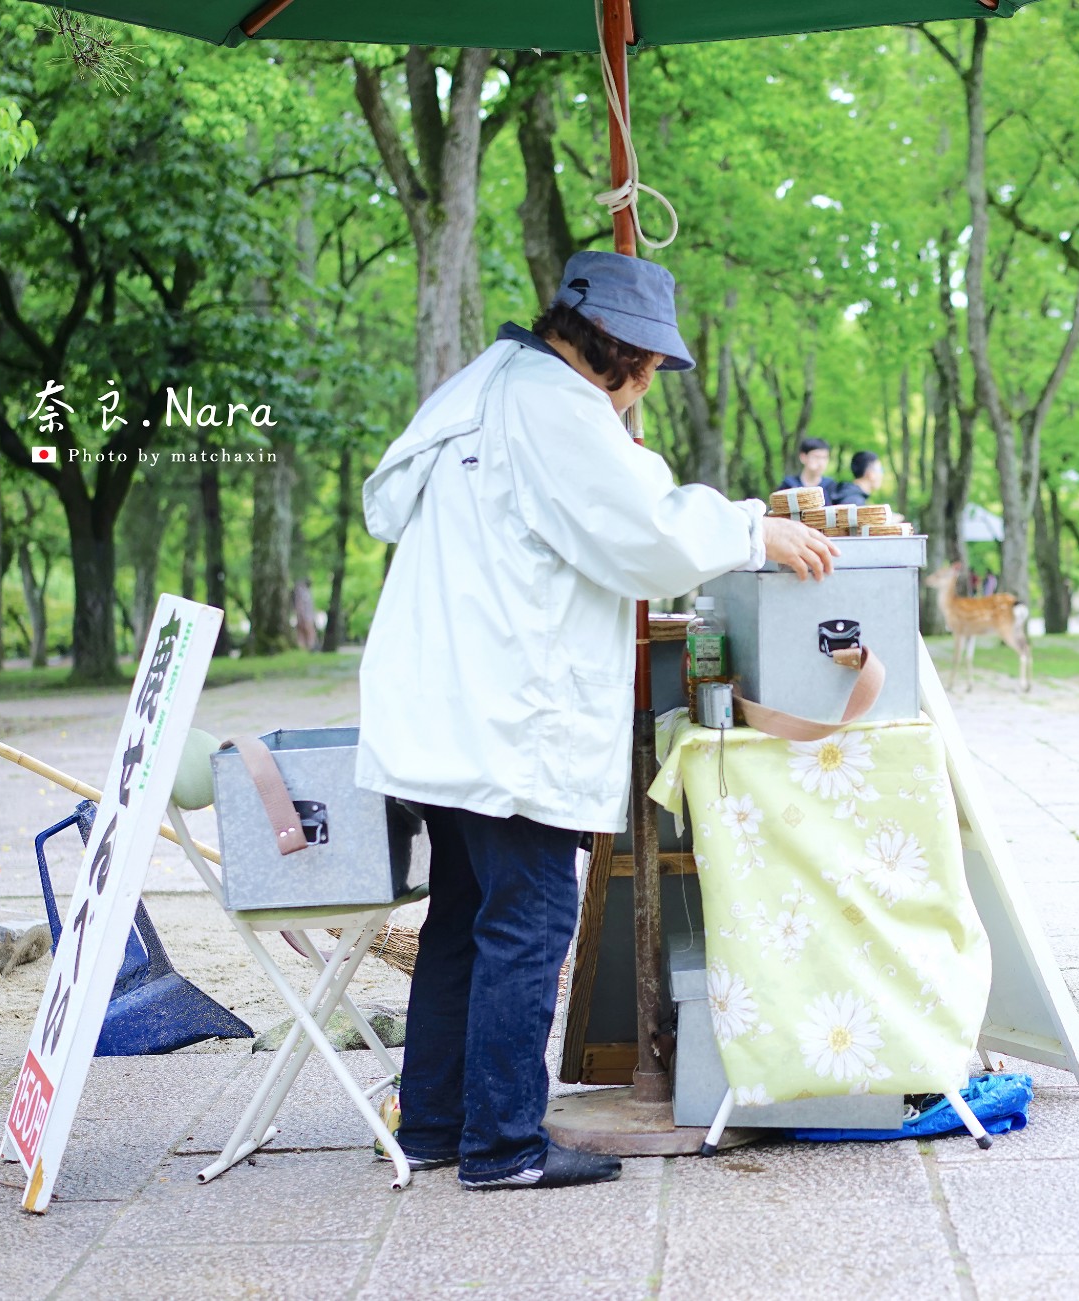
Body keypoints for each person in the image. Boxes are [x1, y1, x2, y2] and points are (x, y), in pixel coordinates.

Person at [357, 251, 837, 1192]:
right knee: (529, 920)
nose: (652, 379)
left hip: (440, 700)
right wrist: (753, 529)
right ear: (612, 347)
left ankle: (438, 1124)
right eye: (650, 361)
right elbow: (646, 534)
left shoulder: (479, 385)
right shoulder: (553, 406)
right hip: (506, 707)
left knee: (462, 914)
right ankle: (502, 1144)